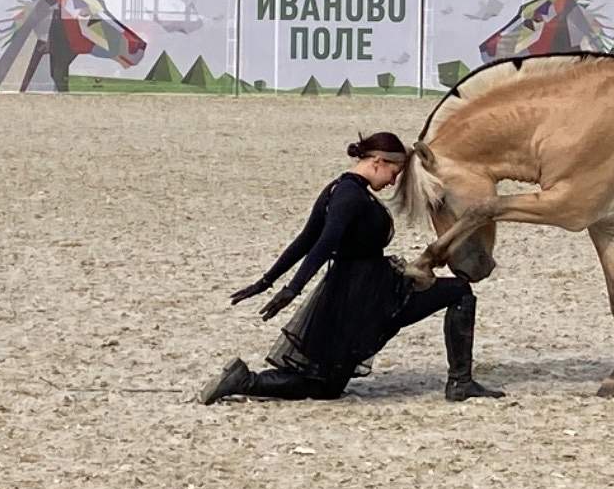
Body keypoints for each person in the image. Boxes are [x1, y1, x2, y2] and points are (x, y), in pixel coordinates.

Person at [198, 132, 504, 404]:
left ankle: (243, 380)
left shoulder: (337, 189)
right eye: (394, 173)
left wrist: (266, 281)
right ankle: (460, 382)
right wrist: (290, 289)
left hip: (353, 291)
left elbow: (304, 240)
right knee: (460, 291)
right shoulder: (351, 196)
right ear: (377, 161)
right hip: (370, 295)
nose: (392, 182)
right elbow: (321, 244)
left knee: (326, 386)